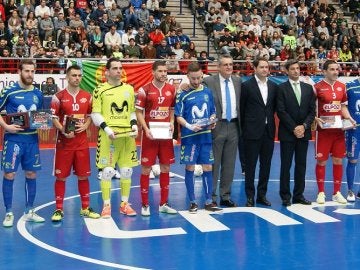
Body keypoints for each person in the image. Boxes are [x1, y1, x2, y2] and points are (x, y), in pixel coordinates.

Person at [50, 65, 100, 222]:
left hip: (82, 143)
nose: (77, 78)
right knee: (61, 177)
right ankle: (59, 209)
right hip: (64, 143)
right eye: (74, 75)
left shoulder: (87, 96)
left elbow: (92, 114)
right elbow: (53, 118)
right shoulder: (58, 97)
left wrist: (86, 125)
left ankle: (85, 208)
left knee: (83, 177)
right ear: (67, 77)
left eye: (79, 75)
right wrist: (63, 130)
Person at [91, 57, 139, 218]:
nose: (119, 71)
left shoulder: (129, 89)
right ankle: (106, 206)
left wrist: (134, 124)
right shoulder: (99, 90)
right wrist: (107, 129)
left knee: (126, 171)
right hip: (108, 136)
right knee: (108, 171)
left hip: (127, 136)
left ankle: (124, 204)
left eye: (120, 68)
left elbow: (131, 111)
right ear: (107, 72)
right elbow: (95, 114)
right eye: (115, 68)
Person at [0, 59, 45, 227]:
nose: (30, 75)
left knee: (31, 174)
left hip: (32, 140)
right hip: (13, 140)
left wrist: (43, 125)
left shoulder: (38, 94)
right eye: (27, 71)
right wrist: (6, 126)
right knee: (9, 174)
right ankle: (9, 212)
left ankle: (30, 210)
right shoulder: (9, 91)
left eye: (32, 71)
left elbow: (40, 116)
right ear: (20, 71)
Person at [174, 62, 221, 213]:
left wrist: (213, 120)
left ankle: (208, 201)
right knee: (190, 168)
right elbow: (178, 117)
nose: (196, 81)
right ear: (187, 76)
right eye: (193, 78)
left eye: (198, 78)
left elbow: (213, 111)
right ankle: (193, 202)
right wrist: (189, 126)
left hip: (205, 137)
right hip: (190, 138)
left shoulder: (207, 92)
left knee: (208, 167)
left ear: (202, 76)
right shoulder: (182, 94)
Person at [135, 61, 177, 216]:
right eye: (160, 71)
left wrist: (172, 122)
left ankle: (163, 203)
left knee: (166, 167)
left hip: (165, 135)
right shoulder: (144, 90)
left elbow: (172, 109)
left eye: (165, 71)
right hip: (150, 135)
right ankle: (145, 204)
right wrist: (145, 129)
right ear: (153, 72)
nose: (164, 74)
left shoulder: (171, 89)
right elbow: (138, 112)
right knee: (146, 168)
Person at [314, 60, 356, 204]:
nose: (335, 72)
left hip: (338, 131)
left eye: (336, 69)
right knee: (322, 161)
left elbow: (343, 107)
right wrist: (315, 118)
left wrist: (349, 119)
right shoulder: (317, 87)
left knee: (338, 160)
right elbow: (312, 108)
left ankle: (336, 192)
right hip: (324, 131)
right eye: (332, 69)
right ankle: (321, 192)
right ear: (324, 71)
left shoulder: (342, 87)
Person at [203, 54, 241, 207]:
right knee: (214, 163)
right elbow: (193, 85)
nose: (228, 67)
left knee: (229, 163)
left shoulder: (238, 81)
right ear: (218, 67)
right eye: (225, 64)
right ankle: (211, 196)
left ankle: (225, 195)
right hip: (216, 126)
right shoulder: (209, 81)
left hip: (233, 126)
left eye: (231, 64)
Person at [277, 59, 316, 206]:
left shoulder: (307, 88)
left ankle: (299, 195)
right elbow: (281, 111)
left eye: (297, 68)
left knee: (301, 165)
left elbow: (312, 111)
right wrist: (294, 128)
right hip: (288, 133)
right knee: (285, 165)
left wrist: (304, 126)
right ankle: (285, 196)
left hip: (304, 133)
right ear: (287, 71)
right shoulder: (281, 88)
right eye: (292, 69)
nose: (296, 71)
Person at [240, 57, 277, 207]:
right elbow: (242, 109)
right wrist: (244, 130)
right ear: (255, 68)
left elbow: (272, 108)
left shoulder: (274, 86)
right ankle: (250, 196)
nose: (264, 70)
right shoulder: (247, 86)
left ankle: (262, 195)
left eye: (266, 67)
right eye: (261, 67)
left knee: (266, 165)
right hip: (251, 132)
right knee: (250, 166)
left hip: (268, 131)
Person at [345, 77, 360, 202]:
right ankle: (350, 190)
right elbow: (342, 105)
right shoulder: (349, 86)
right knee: (353, 160)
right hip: (355, 130)